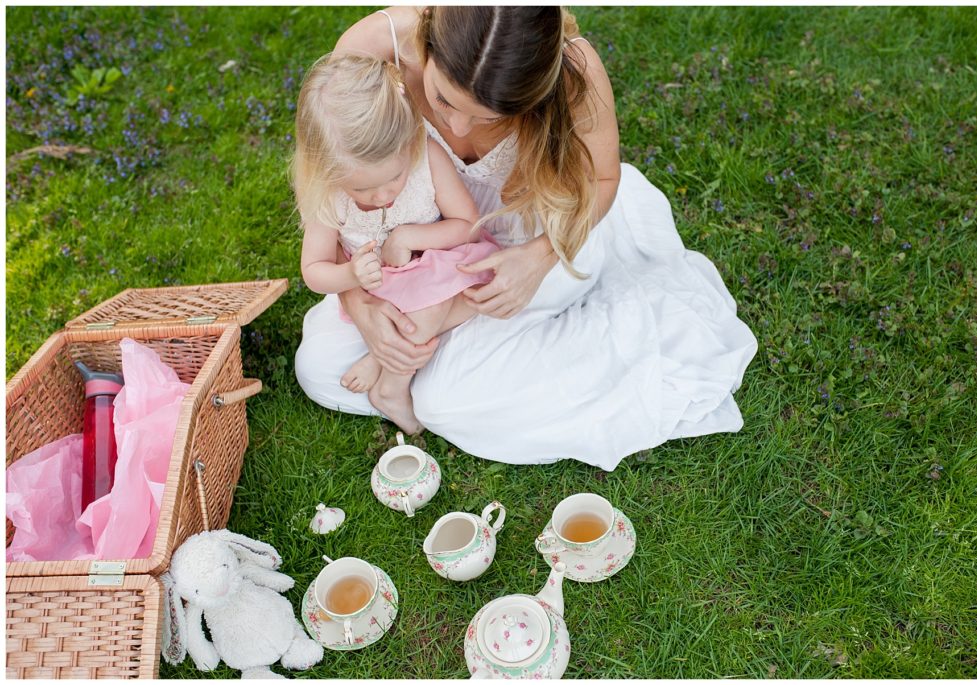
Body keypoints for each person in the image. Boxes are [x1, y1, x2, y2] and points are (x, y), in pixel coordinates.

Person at [294, 6, 758, 471]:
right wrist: (361, 306)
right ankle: (430, 359)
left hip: (536, 237)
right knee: (318, 367)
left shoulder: (574, 70)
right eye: (443, 100)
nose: (456, 129)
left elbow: (600, 182)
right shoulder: (375, 48)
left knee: (442, 400)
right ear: (428, 46)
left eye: (489, 115)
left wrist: (537, 260)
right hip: (427, 250)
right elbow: (331, 180)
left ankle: (444, 365)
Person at [293, 52, 500, 434]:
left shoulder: (426, 156)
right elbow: (314, 272)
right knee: (434, 299)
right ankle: (393, 379)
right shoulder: (324, 195)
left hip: (438, 262)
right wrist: (351, 274)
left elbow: (467, 224)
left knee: (481, 288)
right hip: (383, 289)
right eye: (361, 188)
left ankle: (388, 372)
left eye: (394, 177)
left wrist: (411, 236)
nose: (382, 195)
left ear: (410, 144)